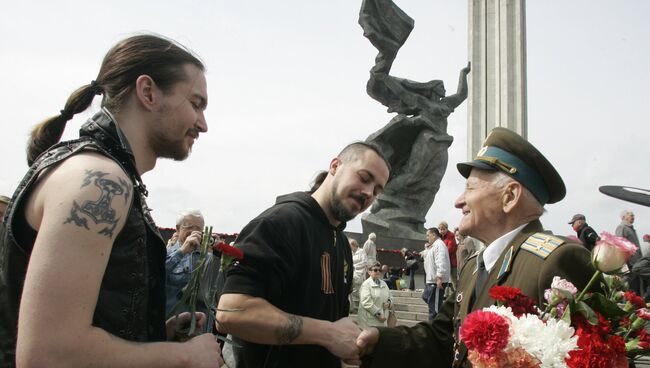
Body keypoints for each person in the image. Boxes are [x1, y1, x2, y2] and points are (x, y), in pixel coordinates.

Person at [0, 34, 223, 367]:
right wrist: (183, 356)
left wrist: (155, 335)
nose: (203, 124)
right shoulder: (100, 181)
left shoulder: (105, 175)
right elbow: (49, 354)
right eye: (195, 103)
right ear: (148, 92)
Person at [356, 127, 595, 368]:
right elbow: (443, 337)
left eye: (470, 188)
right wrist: (380, 341)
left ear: (510, 196)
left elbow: (590, 356)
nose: (458, 201)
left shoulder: (557, 261)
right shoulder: (474, 265)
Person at [216, 142, 390, 367]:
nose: (368, 193)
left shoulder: (343, 244)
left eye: (377, 190)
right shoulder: (281, 223)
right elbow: (230, 312)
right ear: (335, 166)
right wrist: (328, 334)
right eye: (364, 178)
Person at [165, 209, 219, 327]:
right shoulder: (166, 253)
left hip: (198, 328)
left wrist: (219, 254)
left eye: (198, 229)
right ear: (178, 229)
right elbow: (156, 276)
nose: (194, 232)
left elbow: (216, 290)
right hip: (169, 326)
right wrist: (182, 252)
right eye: (189, 227)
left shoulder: (209, 258)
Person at [422, 228, 451, 321]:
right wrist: (427, 248)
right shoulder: (433, 246)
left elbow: (441, 261)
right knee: (426, 297)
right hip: (430, 280)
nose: (427, 238)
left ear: (434, 235)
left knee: (434, 310)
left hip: (436, 281)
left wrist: (439, 277)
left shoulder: (439, 245)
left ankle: (434, 328)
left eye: (428, 235)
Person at [358, 262, 391, 329]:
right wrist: (378, 315)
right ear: (369, 272)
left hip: (383, 321)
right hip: (369, 321)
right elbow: (366, 302)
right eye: (375, 270)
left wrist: (389, 302)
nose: (378, 272)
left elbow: (390, 296)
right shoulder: (366, 285)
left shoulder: (383, 283)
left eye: (379, 270)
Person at [350, 239, 368, 313]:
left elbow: (364, 262)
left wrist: (355, 266)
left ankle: (364, 305)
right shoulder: (351, 253)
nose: (350, 248)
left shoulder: (361, 251)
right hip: (352, 273)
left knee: (359, 291)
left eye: (351, 246)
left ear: (354, 245)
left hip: (360, 273)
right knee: (350, 290)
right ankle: (351, 307)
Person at [438, 221, 458, 286]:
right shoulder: (439, 237)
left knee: (454, 279)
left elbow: (450, 249)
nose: (442, 231)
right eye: (440, 229)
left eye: (443, 229)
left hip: (452, 261)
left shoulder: (451, 236)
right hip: (444, 261)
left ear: (447, 229)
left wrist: (441, 254)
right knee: (444, 280)